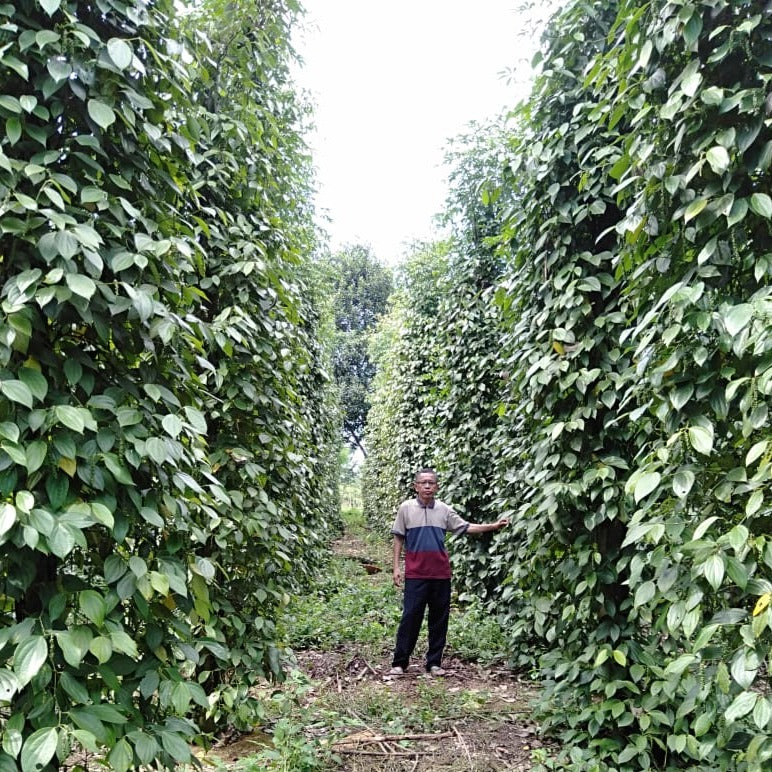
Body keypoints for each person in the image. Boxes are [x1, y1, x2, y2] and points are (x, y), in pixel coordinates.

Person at [389, 467, 509, 676]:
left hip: (440, 574)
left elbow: (466, 527)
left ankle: (434, 663)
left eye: (431, 483)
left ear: (437, 486)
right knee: (410, 617)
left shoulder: (444, 510)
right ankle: (400, 663)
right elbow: (398, 537)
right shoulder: (406, 508)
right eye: (423, 482)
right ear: (415, 486)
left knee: (439, 619)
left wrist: (493, 526)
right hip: (416, 574)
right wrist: (397, 567)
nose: (427, 486)